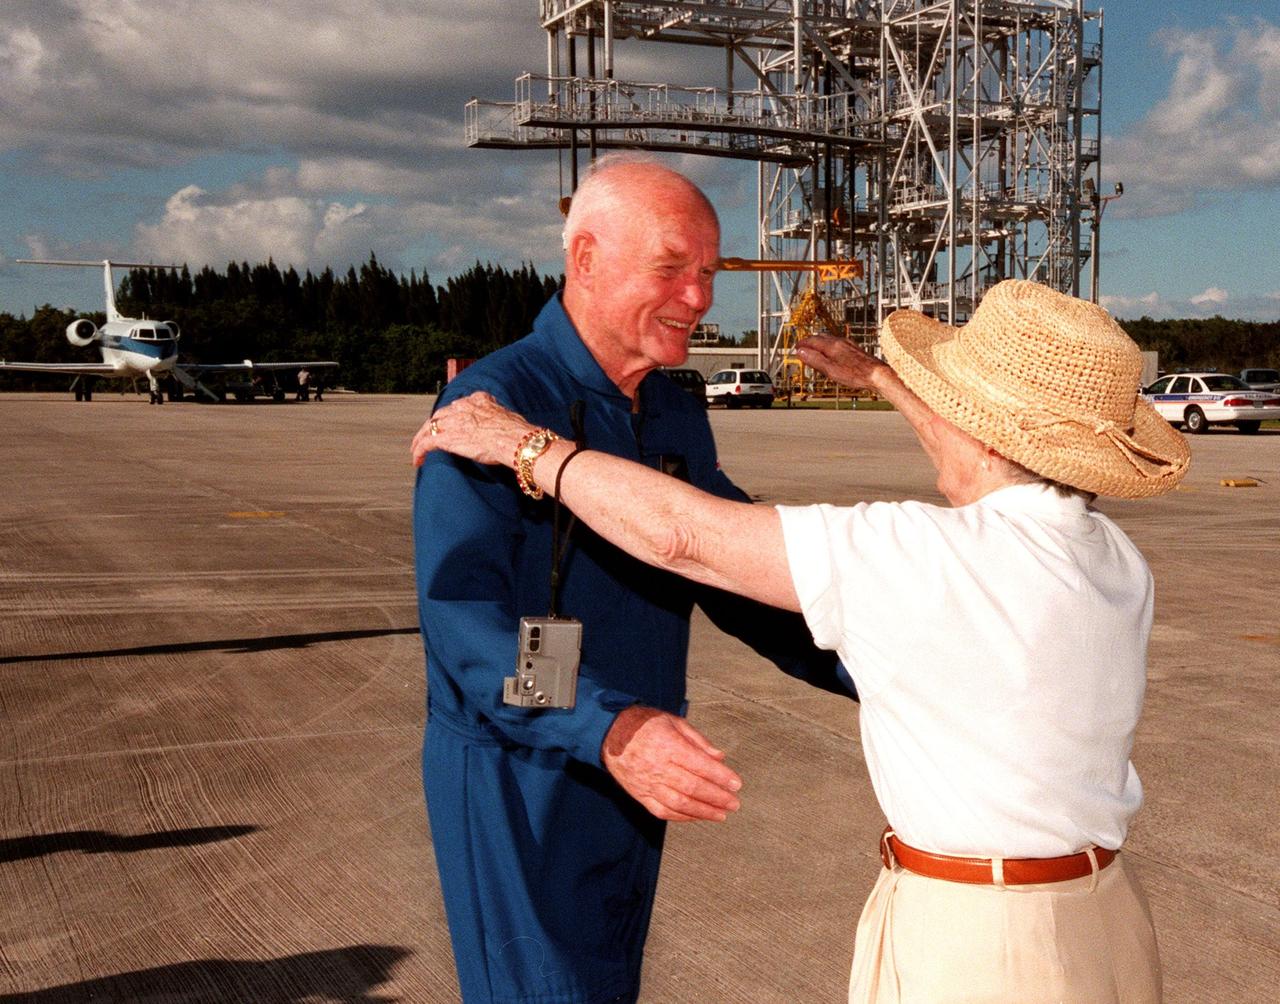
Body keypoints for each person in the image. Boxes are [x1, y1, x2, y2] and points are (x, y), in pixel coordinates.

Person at [414, 278, 1191, 1003]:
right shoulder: (1115, 561)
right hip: (1102, 925)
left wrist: (522, 446)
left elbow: (684, 535)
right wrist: (883, 380)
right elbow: (469, 621)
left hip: (978, 946)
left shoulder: (924, 555)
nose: (696, 290)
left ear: (982, 434)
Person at [411, 157, 853, 1004]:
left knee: (608, 984)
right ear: (584, 258)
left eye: (708, 275)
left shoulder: (673, 409)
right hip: (523, 765)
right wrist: (606, 730)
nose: (699, 298)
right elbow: (463, 624)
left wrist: (880, 665)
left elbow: (730, 572)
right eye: (671, 269)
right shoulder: (488, 409)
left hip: (636, 751)